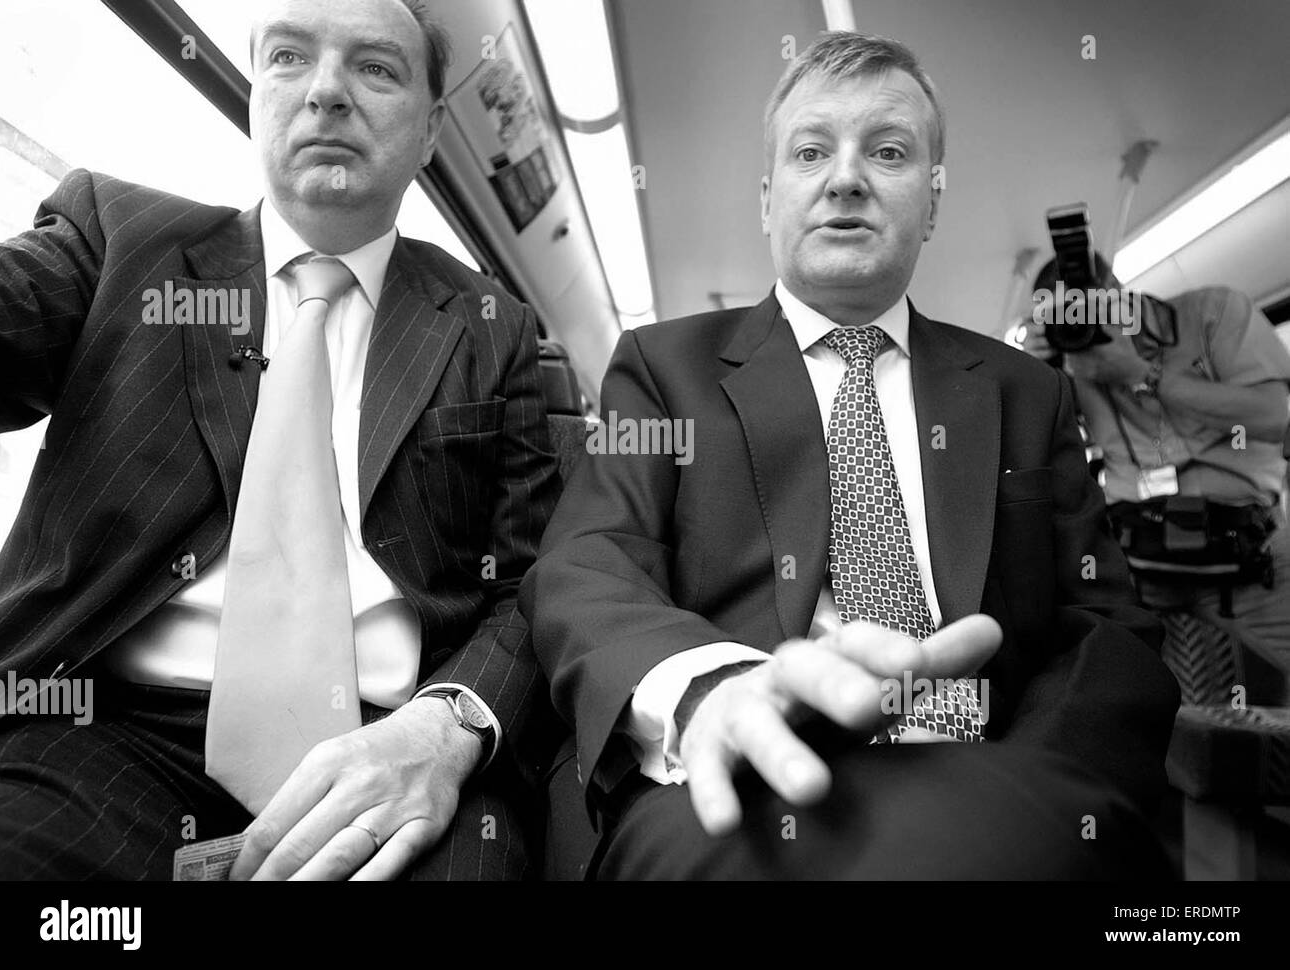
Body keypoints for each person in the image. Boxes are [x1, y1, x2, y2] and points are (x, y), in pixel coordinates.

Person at [521, 30, 1180, 880]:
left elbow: (1109, 626)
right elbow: (587, 559)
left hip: (997, 779)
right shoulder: (663, 371)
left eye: (890, 151)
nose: (846, 178)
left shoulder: (1025, 393)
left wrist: (1042, 774)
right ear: (768, 199)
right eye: (810, 152)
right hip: (731, 784)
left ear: (933, 201)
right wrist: (709, 694)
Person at [0, 0, 559, 880]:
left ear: (432, 128)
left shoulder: (494, 328)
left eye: (375, 67)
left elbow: (528, 584)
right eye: (290, 57)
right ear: (258, 94)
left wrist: (448, 726)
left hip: (392, 743)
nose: (326, 91)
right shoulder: (119, 243)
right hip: (98, 729)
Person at [1022, 256, 1290, 700]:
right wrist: (1037, 375)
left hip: (1248, 557)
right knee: (1132, 703)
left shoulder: (1213, 313)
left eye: (1090, 311)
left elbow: (1276, 418)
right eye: (1066, 319)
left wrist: (1142, 375)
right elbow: (1040, 457)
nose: (1083, 327)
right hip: (1141, 565)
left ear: (1118, 292)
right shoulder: (1072, 363)